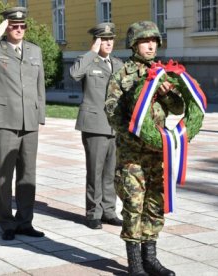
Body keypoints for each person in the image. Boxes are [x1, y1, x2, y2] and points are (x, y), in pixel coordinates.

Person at [105, 21, 183, 276]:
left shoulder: (164, 72)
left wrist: (168, 93)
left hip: (156, 153)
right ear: (134, 44)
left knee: (154, 204)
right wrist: (134, 134)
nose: (150, 45)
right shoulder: (123, 75)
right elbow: (112, 112)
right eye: (144, 41)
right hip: (132, 154)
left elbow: (178, 108)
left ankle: (150, 257)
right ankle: (135, 263)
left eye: (153, 41)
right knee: (134, 204)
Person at [0, 7, 46, 241]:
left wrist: (39, 115)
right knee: (5, 174)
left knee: (28, 173)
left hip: (29, 119)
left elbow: (39, 86)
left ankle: (25, 221)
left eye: (22, 26)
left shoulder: (35, 50)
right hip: (5, 119)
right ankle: (6, 223)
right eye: (14, 26)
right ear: (7, 27)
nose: (19, 30)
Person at [69, 22, 124, 230]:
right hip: (94, 125)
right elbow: (74, 74)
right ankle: (93, 212)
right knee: (95, 171)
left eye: (111, 39)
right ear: (96, 41)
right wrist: (91, 52)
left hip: (114, 126)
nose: (108, 43)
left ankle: (109, 211)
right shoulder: (87, 62)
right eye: (103, 39)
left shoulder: (118, 64)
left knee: (111, 171)